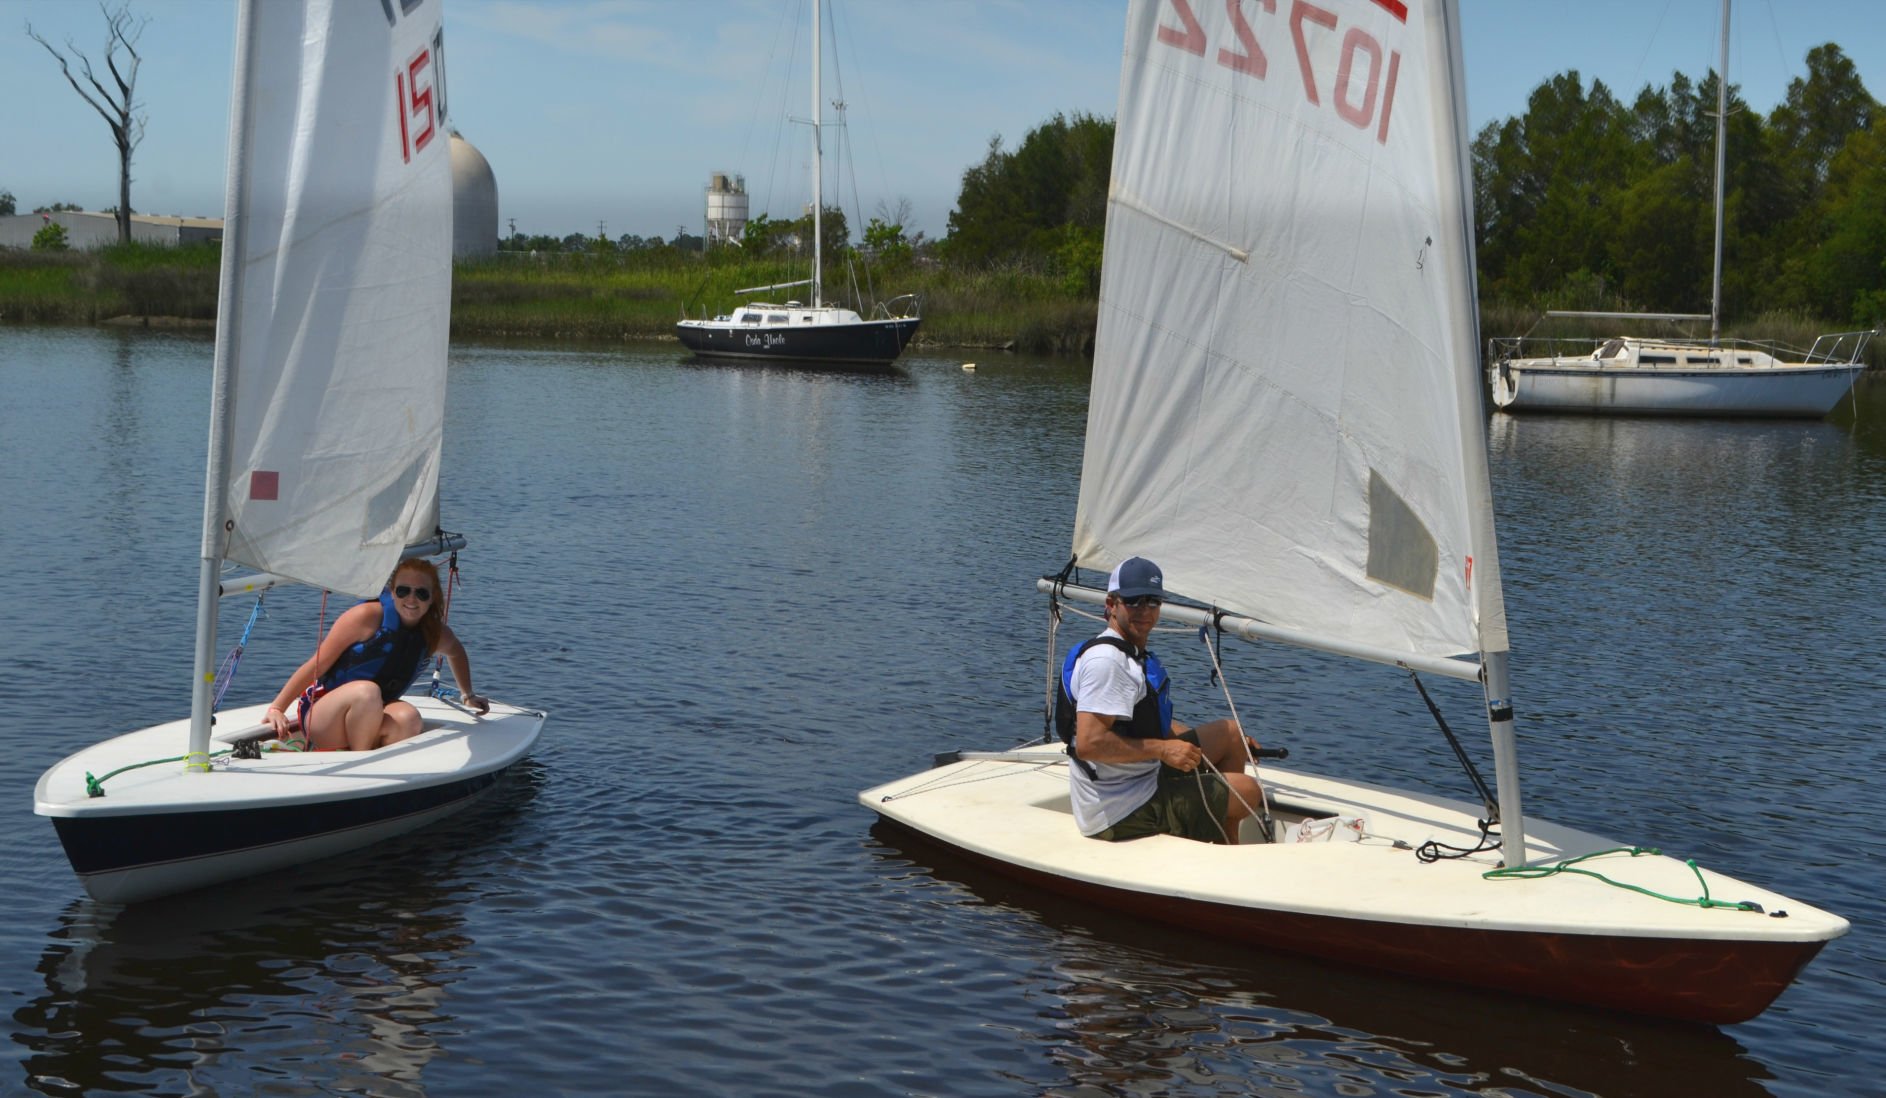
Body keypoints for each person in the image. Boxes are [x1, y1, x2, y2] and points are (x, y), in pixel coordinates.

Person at [1061, 556, 1265, 844]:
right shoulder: (1107, 662)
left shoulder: (1130, 653)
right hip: (1119, 809)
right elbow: (1088, 744)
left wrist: (1175, 744)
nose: (1145, 611)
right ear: (1111, 604)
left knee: (1231, 735)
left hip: (1141, 777)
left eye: (1153, 602)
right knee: (1247, 791)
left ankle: (1216, 833)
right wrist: (1163, 750)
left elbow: (1144, 724)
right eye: (1134, 601)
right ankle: (1222, 849)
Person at [261, 556, 488, 751]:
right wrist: (277, 708)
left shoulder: (434, 634)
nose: (411, 599)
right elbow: (317, 664)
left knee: (408, 718)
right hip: (324, 716)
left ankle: (377, 762)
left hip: (373, 712)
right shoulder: (365, 617)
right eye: (403, 591)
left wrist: (467, 694)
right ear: (392, 592)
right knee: (367, 692)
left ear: (433, 598)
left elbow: (456, 653)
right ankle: (360, 761)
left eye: (421, 593)